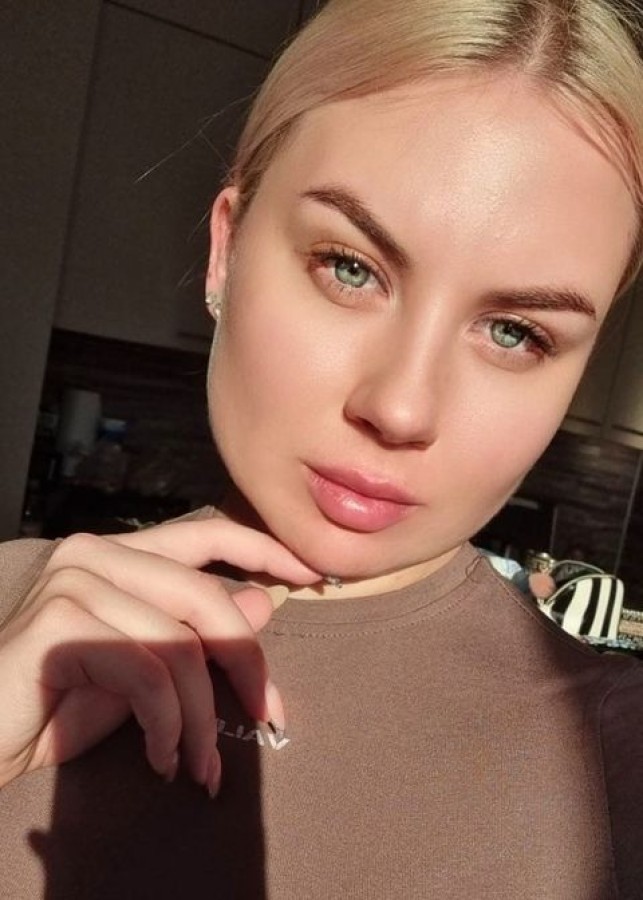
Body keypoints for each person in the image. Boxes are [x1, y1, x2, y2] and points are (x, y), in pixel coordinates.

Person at [1, 0, 643, 897]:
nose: (400, 407)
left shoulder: (612, 763)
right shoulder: (11, 604)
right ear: (225, 251)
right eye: (350, 268)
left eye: (514, 332)